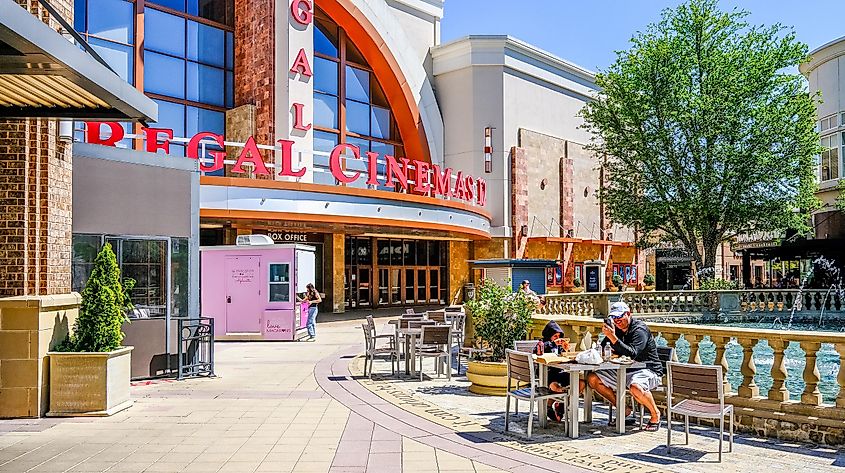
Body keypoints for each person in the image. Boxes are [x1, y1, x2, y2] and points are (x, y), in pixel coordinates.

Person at [586, 301, 663, 432]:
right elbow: (605, 347)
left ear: (628, 314)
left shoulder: (640, 329)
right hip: (624, 370)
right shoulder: (616, 329)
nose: (617, 321)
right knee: (592, 378)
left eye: (619, 317)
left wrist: (613, 337)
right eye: (614, 318)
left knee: (636, 387)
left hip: (647, 369)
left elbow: (632, 353)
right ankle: (623, 409)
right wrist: (609, 338)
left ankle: (655, 415)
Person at [539, 320, 571, 422]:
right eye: (555, 336)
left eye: (559, 336)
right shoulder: (543, 344)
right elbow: (541, 349)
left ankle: (558, 405)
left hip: (560, 372)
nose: (557, 339)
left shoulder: (558, 347)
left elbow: (562, 357)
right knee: (557, 388)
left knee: (579, 384)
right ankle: (557, 406)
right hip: (547, 374)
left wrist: (565, 350)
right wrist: (553, 343)